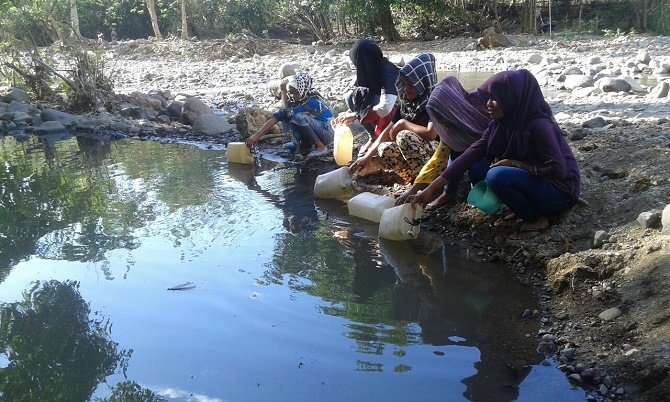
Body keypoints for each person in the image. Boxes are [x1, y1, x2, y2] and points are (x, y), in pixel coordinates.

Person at [407, 69, 581, 240]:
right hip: (537, 182)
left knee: (497, 175)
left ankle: (538, 219)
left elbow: (558, 170)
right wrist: (429, 190)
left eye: (495, 99)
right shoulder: (500, 124)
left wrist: (515, 164)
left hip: (559, 192)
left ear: (512, 99)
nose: (488, 104)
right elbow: (471, 153)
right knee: (478, 168)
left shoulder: (539, 126)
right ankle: (523, 208)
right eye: (488, 98)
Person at [396, 76, 491, 206]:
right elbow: (438, 158)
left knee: (477, 169)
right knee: (454, 156)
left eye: (442, 116)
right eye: (437, 118)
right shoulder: (451, 130)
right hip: (468, 154)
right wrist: (414, 190)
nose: (441, 122)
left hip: (491, 156)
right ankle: (448, 193)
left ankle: (483, 193)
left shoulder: (479, 111)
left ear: (452, 108)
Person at [349, 53, 439, 183]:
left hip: (437, 156)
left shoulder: (435, 101)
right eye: (404, 84)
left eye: (411, 85)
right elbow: (389, 129)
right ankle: (413, 178)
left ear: (423, 82)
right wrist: (367, 157)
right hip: (418, 152)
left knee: (404, 136)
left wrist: (403, 123)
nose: (406, 89)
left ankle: (428, 180)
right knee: (384, 149)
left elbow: (431, 134)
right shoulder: (406, 102)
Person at [335, 39, 400, 154]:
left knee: (373, 101)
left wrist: (355, 115)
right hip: (383, 106)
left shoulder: (387, 72)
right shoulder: (368, 69)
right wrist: (346, 113)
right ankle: (373, 137)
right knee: (351, 95)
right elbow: (354, 91)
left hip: (398, 110)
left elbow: (385, 108)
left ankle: (387, 139)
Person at [246, 72, 333, 157]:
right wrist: (257, 135)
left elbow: (284, 112)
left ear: (303, 89)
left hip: (327, 133)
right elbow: (280, 114)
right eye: (290, 93)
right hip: (319, 129)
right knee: (294, 118)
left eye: (296, 93)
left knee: (298, 118)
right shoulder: (302, 98)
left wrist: (283, 93)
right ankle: (300, 145)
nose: (293, 96)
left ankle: (320, 146)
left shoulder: (311, 100)